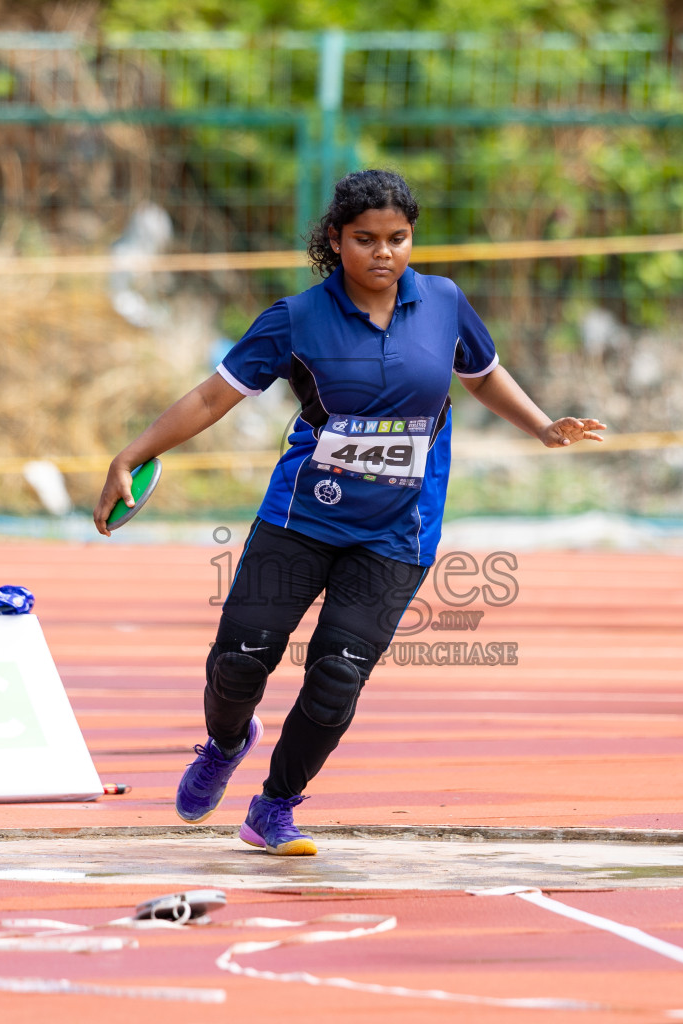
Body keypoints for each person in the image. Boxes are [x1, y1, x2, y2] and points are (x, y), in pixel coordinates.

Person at [93, 170, 605, 855]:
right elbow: (214, 398)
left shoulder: (446, 304)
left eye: (398, 238)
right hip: (302, 517)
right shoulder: (296, 319)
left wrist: (543, 427)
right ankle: (224, 743)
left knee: (337, 676)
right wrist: (130, 454)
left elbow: (483, 376)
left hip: (399, 531)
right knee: (239, 661)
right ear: (336, 240)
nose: (384, 253)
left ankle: (274, 807)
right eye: (365, 239)